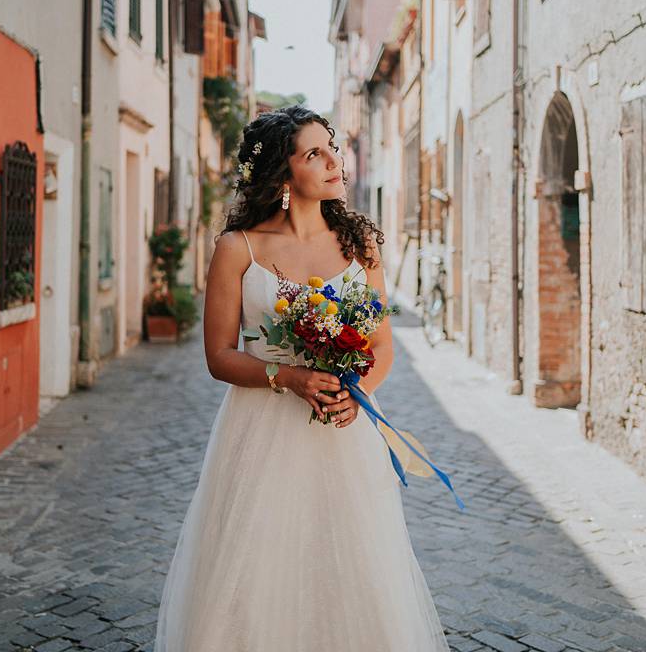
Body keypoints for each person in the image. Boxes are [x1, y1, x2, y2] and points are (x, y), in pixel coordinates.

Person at [152, 106, 449, 651]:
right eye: (315, 153)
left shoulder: (361, 245)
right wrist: (287, 377)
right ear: (283, 176)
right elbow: (218, 355)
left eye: (331, 146)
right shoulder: (238, 248)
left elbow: (381, 347)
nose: (335, 161)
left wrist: (358, 398)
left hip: (341, 432)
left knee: (354, 563)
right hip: (260, 431)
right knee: (257, 561)